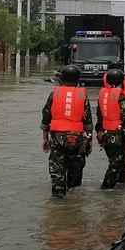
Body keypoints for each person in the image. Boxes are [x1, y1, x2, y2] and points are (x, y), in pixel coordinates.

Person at [41, 65, 93, 198]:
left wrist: (45, 139)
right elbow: (87, 122)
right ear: (77, 80)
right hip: (77, 139)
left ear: (62, 79)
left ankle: (58, 199)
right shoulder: (83, 95)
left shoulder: (54, 94)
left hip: (57, 138)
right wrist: (89, 141)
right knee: (75, 170)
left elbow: (46, 117)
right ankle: (73, 199)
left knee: (57, 169)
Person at [96, 69, 125, 189]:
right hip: (117, 134)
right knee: (116, 164)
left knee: (118, 160)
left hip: (105, 133)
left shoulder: (102, 94)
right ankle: (106, 189)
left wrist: (99, 132)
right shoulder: (121, 95)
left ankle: (121, 184)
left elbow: (99, 115)